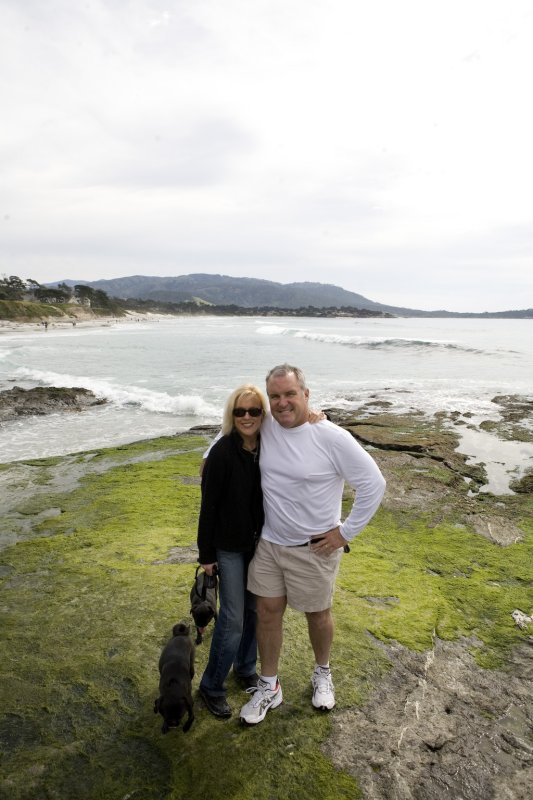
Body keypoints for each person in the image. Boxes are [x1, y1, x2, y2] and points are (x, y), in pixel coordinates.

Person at [239, 363, 386, 725]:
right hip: (271, 544)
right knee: (268, 613)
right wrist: (209, 460)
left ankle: (323, 672)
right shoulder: (267, 426)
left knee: (317, 615)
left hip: (315, 548)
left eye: (290, 394)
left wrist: (345, 533)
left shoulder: (331, 436)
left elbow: (374, 484)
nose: (282, 402)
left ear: (306, 394)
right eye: (275, 396)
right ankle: (269, 686)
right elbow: (229, 430)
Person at [197, 384, 267, 718]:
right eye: (240, 411)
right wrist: (206, 555)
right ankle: (211, 686)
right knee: (233, 618)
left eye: (254, 411)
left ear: (262, 414)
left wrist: (316, 416)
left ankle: (245, 667)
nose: (247, 417)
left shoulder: (268, 447)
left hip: (259, 545)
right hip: (227, 547)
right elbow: (207, 506)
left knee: (254, 612)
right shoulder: (222, 452)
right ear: (232, 415)